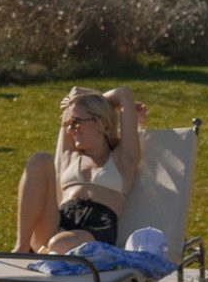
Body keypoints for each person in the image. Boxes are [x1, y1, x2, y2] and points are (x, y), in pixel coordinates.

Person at [15, 86, 145, 254]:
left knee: (58, 244)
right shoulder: (69, 156)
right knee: (40, 160)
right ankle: (21, 247)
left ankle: (49, 252)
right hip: (58, 221)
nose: (70, 129)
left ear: (101, 123)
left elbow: (124, 93)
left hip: (96, 226)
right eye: (68, 123)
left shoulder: (123, 159)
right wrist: (80, 103)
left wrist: (98, 101)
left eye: (76, 122)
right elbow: (73, 91)